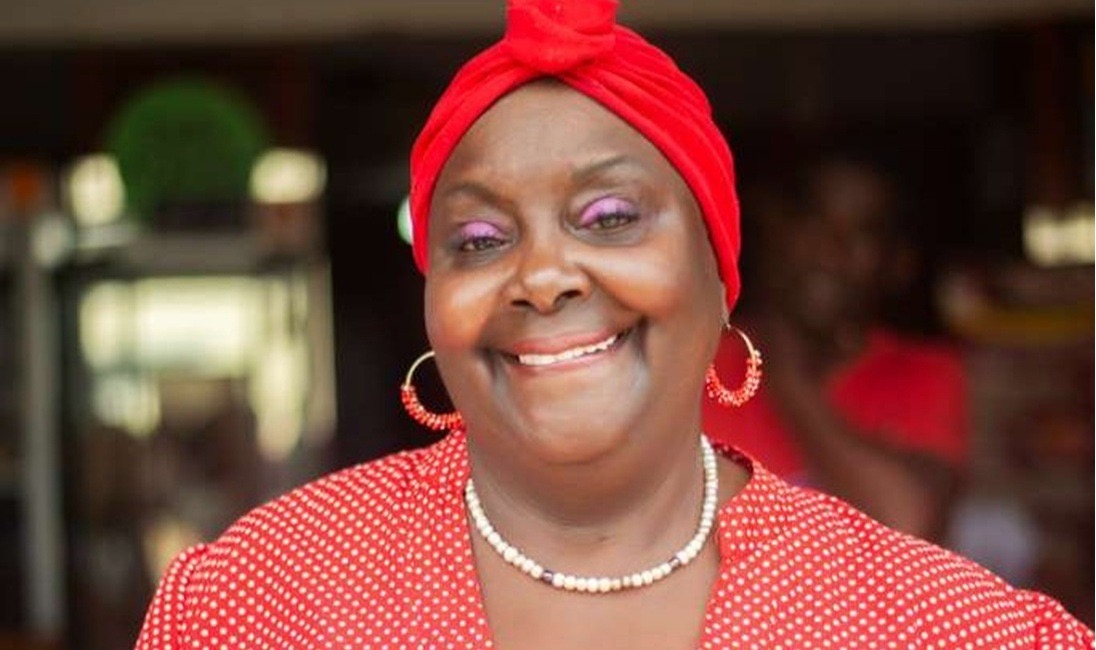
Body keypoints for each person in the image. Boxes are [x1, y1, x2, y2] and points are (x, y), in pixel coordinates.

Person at [134, 1, 1093, 647]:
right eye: (477, 236)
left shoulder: (935, 626)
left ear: (720, 277)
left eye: (611, 219)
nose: (543, 275)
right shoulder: (257, 601)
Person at [703, 153, 969, 542]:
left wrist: (787, 377)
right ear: (775, 233)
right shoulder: (699, 360)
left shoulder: (923, 373)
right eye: (814, 222)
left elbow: (907, 524)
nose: (830, 249)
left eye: (862, 232)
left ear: (898, 264)